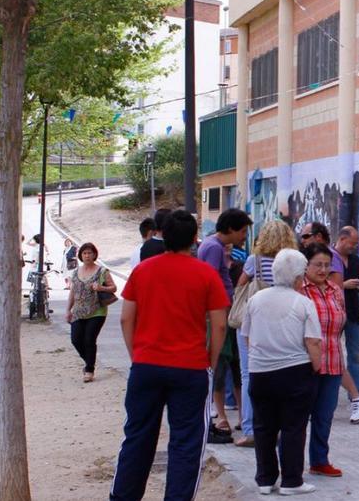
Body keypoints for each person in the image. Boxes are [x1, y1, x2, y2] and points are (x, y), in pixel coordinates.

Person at [110, 210, 230, 501]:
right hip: (190, 367)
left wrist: (136, 355)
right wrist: (210, 362)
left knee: (137, 437)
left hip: (147, 364)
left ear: (161, 234)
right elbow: (219, 324)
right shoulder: (205, 274)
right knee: (187, 443)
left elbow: (127, 318)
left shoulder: (143, 270)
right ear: (193, 239)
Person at [241, 248, 322, 496]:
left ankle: (265, 479)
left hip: (260, 371)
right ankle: (291, 480)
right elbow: (313, 342)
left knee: (263, 426)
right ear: (299, 277)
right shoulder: (303, 302)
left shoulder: (256, 299)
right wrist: (316, 368)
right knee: (293, 427)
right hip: (294, 371)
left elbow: (246, 336)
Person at [233, 219, 298, 448]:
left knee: (248, 373)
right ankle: (277, 427)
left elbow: (241, 286)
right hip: (281, 322)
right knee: (279, 373)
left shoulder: (254, 261)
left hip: (252, 322)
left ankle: (251, 429)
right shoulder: (292, 263)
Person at [198, 209, 253, 439]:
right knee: (222, 364)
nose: (244, 236)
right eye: (242, 231)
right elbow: (209, 282)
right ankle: (221, 416)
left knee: (235, 365)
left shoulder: (216, 247)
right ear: (230, 229)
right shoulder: (213, 248)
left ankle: (241, 415)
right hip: (221, 313)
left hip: (226, 310)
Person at [300, 242, 349, 478]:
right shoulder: (300, 290)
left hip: (333, 361)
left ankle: (319, 460)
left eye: (327, 265)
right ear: (306, 265)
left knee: (324, 416)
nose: (322, 270)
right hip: (306, 363)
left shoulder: (335, 290)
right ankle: (289, 460)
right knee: (298, 416)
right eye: (317, 264)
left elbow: (341, 322)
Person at [335, 226, 359, 422]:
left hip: (353, 313)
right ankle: (334, 391)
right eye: (352, 243)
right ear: (342, 239)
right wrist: (343, 285)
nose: (354, 247)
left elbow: (358, 285)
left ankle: (356, 393)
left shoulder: (356, 260)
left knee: (355, 354)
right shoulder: (329, 258)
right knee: (334, 354)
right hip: (334, 312)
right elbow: (322, 283)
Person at [65, 242, 116, 382]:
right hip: (78, 311)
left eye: (90, 253)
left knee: (89, 339)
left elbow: (113, 288)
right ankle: (89, 361)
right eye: (84, 253)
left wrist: (101, 288)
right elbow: (72, 292)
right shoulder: (76, 272)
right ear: (81, 256)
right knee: (75, 339)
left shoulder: (102, 271)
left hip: (97, 311)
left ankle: (89, 370)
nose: (87, 256)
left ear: (94, 254)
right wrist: (68, 310)